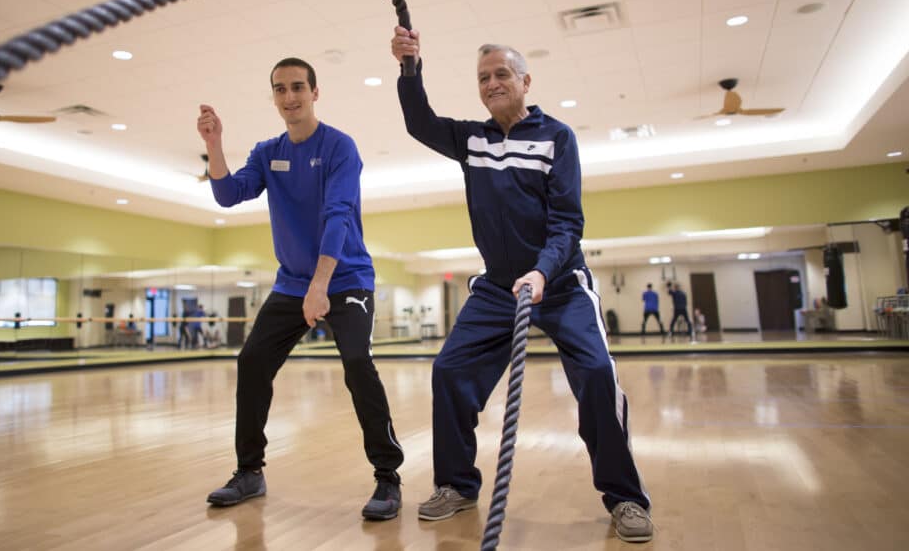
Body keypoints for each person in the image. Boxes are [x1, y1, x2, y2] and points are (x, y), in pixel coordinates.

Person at [390, 27, 653, 542]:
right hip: (496, 288)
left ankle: (625, 497)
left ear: (525, 81)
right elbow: (419, 122)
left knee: (597, 374)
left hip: (561, 285)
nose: (492, 84)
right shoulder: (472, 140)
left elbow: (566, 223)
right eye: (484, 78)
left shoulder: (557, 138)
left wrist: (542, 270)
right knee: (449, 369)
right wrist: (409, 68)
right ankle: (458, 485)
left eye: (502, 74)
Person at [197, 57, 404, 521]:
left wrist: (321, 286)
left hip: (346, 279)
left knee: (356, 363)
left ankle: (387, 477)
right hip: (292, 284)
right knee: (251, 363)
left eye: (297, 87)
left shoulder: (339, 148)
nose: (289, 97)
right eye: (280, 89)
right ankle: (249, 471)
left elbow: (338, 215)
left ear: (315, 91)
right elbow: (229, 195)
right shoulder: (267, 152)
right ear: (273, 96)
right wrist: (215, 145)